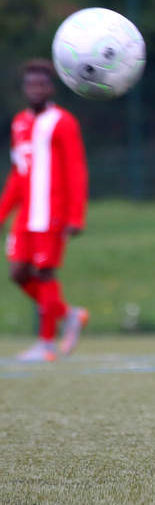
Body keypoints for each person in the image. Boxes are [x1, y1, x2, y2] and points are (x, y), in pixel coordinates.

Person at [2, 59, 89, 362]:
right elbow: (18, 172)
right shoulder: (19, 123)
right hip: (26, 215)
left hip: (52, 211)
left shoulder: (63, 122)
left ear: (50, 88)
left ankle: (46, 344)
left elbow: (76, 170)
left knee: (44, 273)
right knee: (17, 273)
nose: (35, 89)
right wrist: (3, 212)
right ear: (25, 88)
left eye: (41, 84)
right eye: (30, 84)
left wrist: (75, 215)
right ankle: (69, 314)